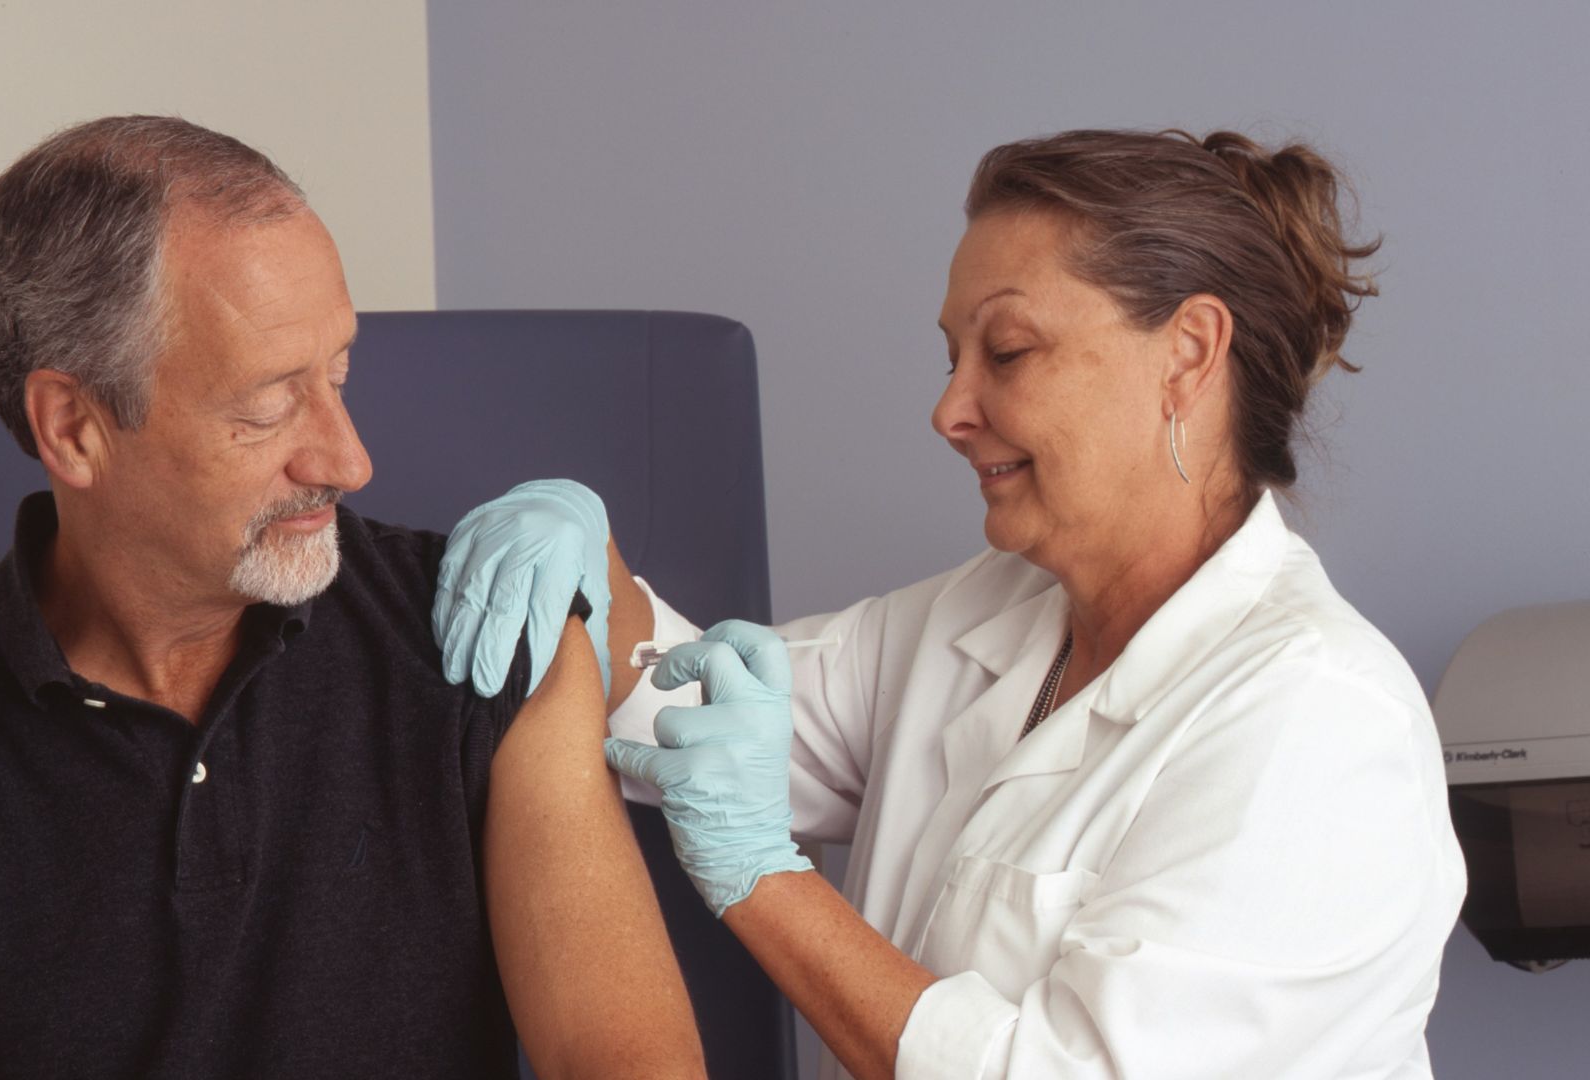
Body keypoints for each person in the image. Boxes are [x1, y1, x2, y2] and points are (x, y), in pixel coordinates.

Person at [433, 129, 1467, 1079]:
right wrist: (591, 566)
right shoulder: (985, 615)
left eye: (1006, 352)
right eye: (951, 356)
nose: (948, 409)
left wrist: (762, 878)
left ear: (1187, 354)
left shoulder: (1320, 719)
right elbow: (696, 711)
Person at [0, 116, 704, 1080]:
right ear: (73, 428)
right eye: (266, 405)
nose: (349, 461)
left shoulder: (481, 633)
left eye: (338, 374)